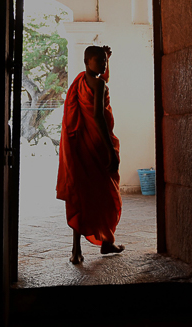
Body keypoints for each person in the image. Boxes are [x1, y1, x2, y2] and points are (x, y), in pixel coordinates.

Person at [56, 45, 125, 264]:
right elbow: (98, 117)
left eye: (104, 61)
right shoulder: (99, 84)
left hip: (81, 146)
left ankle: (77, 250)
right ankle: (106, 241)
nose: (103, 65)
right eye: (100, 60)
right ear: (87, 62)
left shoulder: (81, 81)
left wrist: (109, 60)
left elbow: (102, 80)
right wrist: (110, 150)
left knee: (81, 195)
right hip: (96, 145)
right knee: (106, 194)